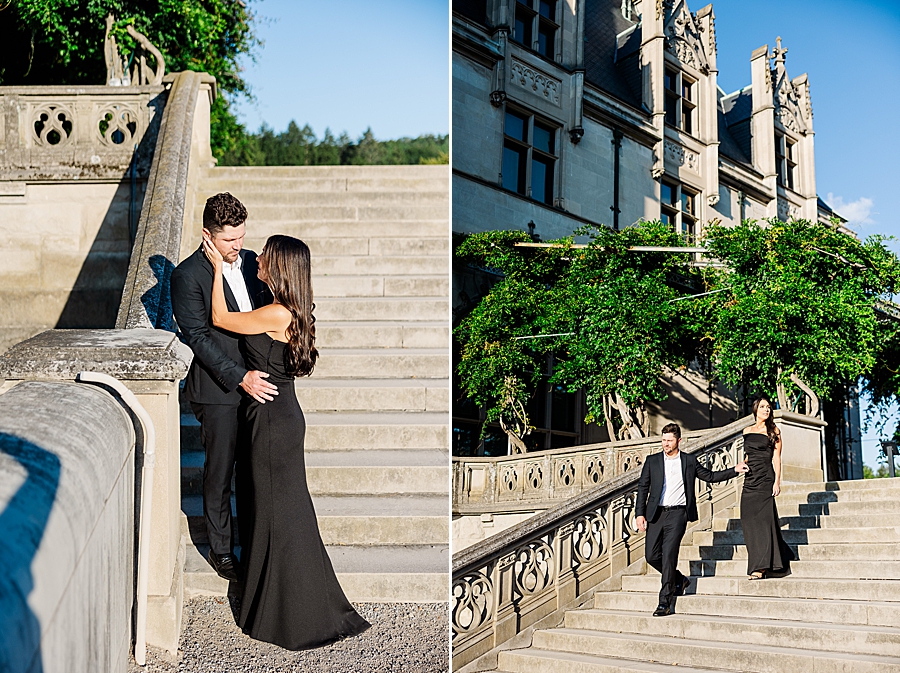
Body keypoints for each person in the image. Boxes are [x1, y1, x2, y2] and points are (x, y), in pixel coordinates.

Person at [202, 231, 371, 649]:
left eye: (265, 255)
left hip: (274, 422)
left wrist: (215, 269)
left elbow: (220, 319)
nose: (257, 257)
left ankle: (292, 615)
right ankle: (281, 603)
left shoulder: (278, 313)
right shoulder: (288, 309)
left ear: (279, 265)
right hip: (277, 416)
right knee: (278, 511)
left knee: (281, 514)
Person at [170, 192, 277, 583]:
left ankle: (255, 540)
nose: (238, 246)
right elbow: (198, 336)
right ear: (207, 235)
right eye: (230, 240)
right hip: (219, 390)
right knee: (219, 471)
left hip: (260, 382)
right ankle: (221, 550)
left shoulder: (251, 262)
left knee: (253, 465)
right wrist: (239, 376)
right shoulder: (186, 276)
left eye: (242, 237)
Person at [635, 423, 748, 616]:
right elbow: (643, 488)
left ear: (679, 441)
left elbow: (710, 476)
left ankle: (665, 602)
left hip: (678, 514)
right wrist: (640, 514)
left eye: (669, 440)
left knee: (669, 555)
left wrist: (734, 469)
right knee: (652, 556)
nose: (666, 444)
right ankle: (679, 580)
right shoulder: (652, 461)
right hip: (656, 514)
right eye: (663, 440)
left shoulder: (688, 461)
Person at [740, 398, 795, 580]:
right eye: (762, 407)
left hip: (765, 479)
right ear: (755, 409)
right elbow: (749, 455)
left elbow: (777, 458)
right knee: (749, 522)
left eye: (769, 408)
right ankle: (780, 553)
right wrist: (743, 464)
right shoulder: (746, 431)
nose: (766, 410)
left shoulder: (774, 431)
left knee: (764, 522)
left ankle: (759, 567)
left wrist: (777, 481)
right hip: (750, 480)